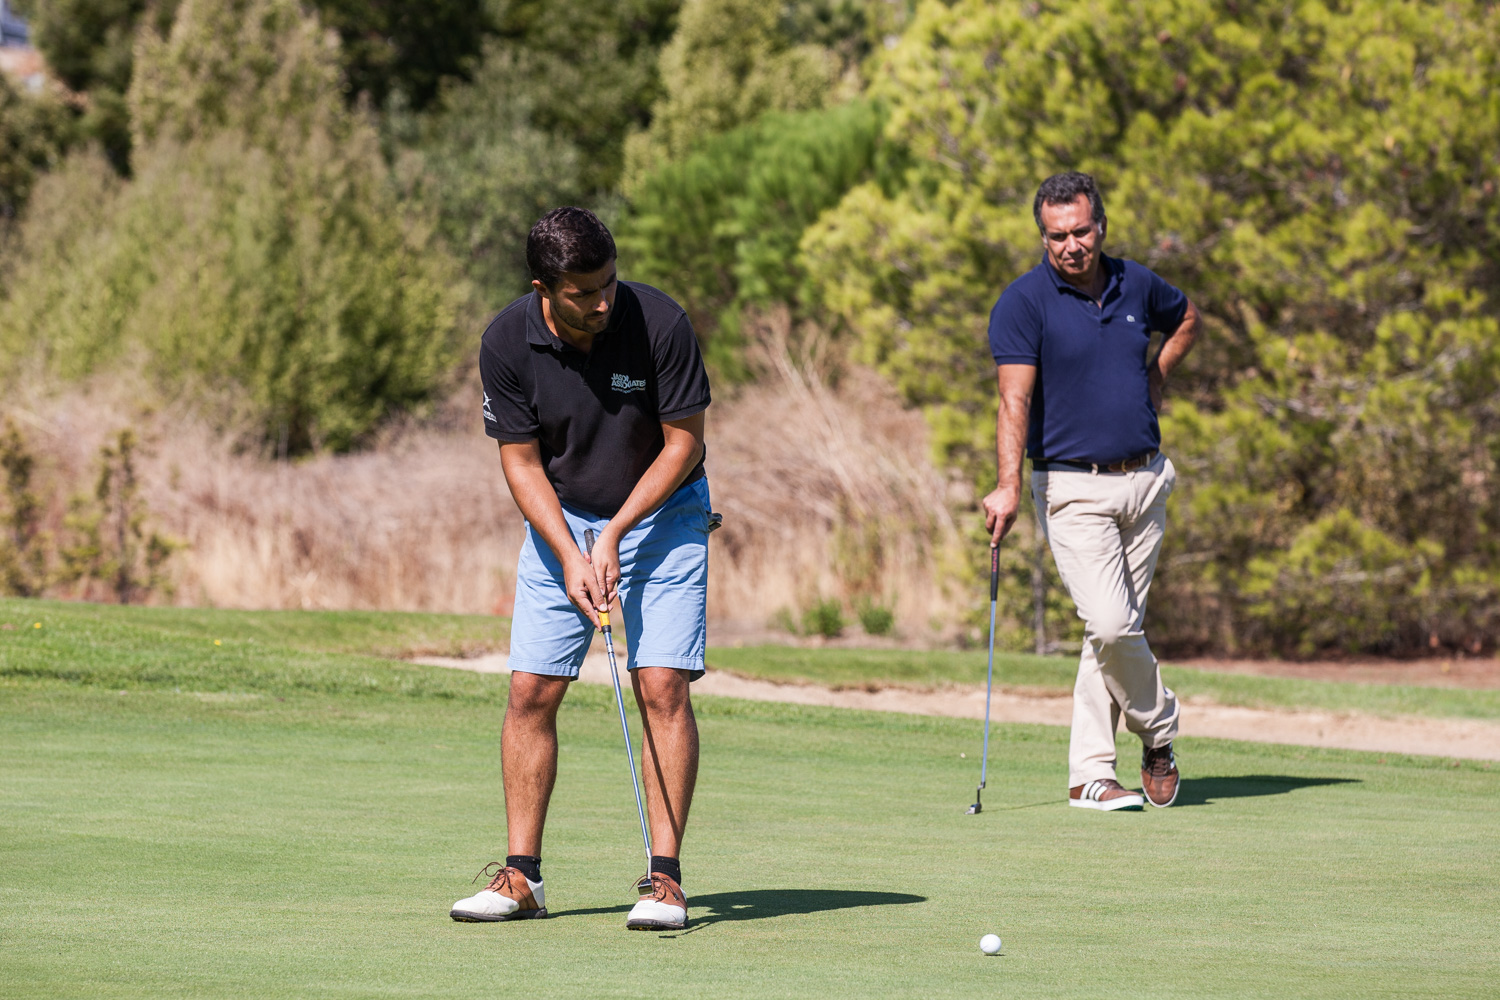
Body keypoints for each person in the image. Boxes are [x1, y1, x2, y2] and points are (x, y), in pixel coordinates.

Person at [450, 207, 713, 928]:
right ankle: (521, 879)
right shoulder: (507, 340)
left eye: (609, 283)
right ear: (544, 288)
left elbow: (684, 444)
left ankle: (665, 882)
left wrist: (616, 533)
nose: (603, 302)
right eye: (584, 292)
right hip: (562, 519)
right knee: (530, 690)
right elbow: (520, 461)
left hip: (664, 513)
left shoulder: (660, 323)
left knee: (661, 685)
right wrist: (571, 551)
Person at [983, 172, 1200, 811]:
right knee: (1109, 621)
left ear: (1100, 227)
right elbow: (1013, 400)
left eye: (1080, 231)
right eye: (1056, 236)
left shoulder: (1137, 283)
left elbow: (1187, 318)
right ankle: (1160, 731)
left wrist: (1156, 376)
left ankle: (1091, 776)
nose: (1070, 245)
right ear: (1042, 237)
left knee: (1108, 634)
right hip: (1072, 488)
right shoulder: (1023, 303)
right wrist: (1007, 485)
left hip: (1147, 481)